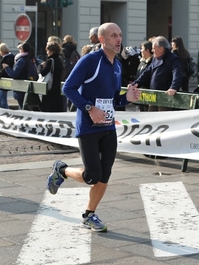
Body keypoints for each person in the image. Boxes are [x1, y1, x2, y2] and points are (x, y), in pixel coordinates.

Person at [46, 22, 141, 232]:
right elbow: (68, 88)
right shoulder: (90, 60)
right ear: (102, 39)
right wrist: (89, 108)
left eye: (120, 35)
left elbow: (114, 99)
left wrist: (128, 98)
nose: (118, 40)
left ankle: (89, 214)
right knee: (92, 176)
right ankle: (61, 170)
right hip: (88, 127)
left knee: (105, 174)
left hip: (108, 127)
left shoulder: (117, 65)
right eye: (113, 36)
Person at [132, 36, 182, 111]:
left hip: (165, 97)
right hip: (154, 95)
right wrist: (136, 83)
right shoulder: (155, 59)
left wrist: (173, 87)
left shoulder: (173, 59)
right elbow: (146, 73)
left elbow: (177, 74)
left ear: (161, 49)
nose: (152, 51)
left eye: (154, 48)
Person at [3, 41, 34, 109]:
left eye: (19, 49)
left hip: (20, 89)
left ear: (22, 49)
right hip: (28, 88)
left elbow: (14, 75)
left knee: (22, 108)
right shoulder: (31, 58)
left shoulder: (21, 60)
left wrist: (7, 68)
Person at [38, 41, 65, 112]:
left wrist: (40, 67)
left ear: (51, 51)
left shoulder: (50, 61)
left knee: (48, 109)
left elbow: (43, 73)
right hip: (57, 88)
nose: (46, 52)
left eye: (47, 50)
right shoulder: (59, 60)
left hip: (50, 89)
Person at [0, 43, 15, 109]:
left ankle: (8, 113)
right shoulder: (8, 57)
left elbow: (2, 72)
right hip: (4, 82)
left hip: (4, 82)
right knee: (4, 102)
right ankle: (7, 112)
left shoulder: (7, 59)